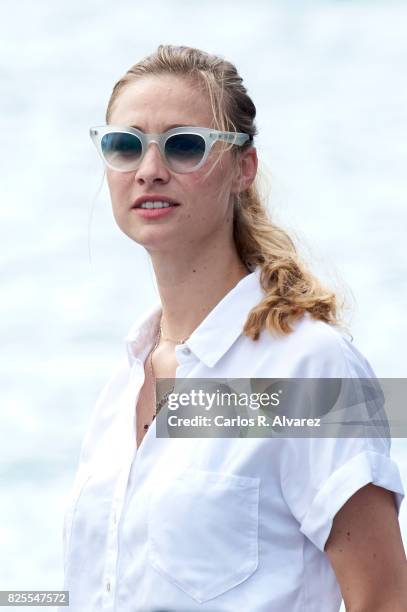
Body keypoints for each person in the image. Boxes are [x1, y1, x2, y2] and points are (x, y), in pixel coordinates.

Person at [61, 44, 407, 611]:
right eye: (125, 145)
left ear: (243, 167)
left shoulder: (309, 367)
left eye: (184, 146)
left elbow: (386, 598)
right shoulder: (120, 389)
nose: (150, 169)